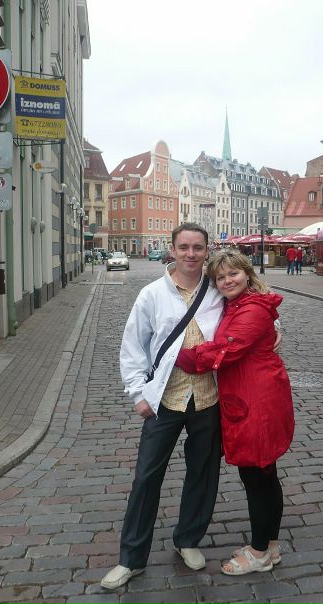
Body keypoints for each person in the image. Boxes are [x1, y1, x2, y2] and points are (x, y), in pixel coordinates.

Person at [101, 224, 281, 590]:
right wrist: (137, 393)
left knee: (203, 474)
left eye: (198, 247)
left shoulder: (217, 289)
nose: (191, 254)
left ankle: (188, 539)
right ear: (172, 249)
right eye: (184, 247)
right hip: (166, 400)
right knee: (146, 478)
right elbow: (133, 346)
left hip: (209, 399)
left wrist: (277, 329)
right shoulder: (152, 294)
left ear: (206, 250)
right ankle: (130, 559)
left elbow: (255, 310)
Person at [176, 250, 295, 576]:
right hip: (252, 395)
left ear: (247, 273)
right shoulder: (240, 303)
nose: (227, 281)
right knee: (264, 474)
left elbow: (224, 349)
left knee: (256, 477)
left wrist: (175, 356)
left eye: (233, 274)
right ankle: (270, 545)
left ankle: (258, 553)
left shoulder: (251, 308)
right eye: (220, 277)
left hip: (257, 400)